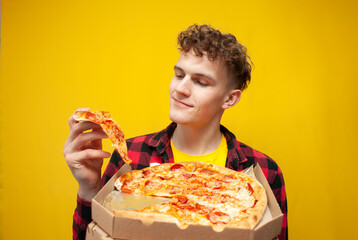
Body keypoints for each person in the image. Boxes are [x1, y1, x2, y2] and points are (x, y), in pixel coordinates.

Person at [64, 24, 288, 240]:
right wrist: (88, 189)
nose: (180, 89)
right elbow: (94, 236)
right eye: (179, 75)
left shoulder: (265, 171)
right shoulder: (129, 158)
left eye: (200, 82)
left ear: (230, 98)